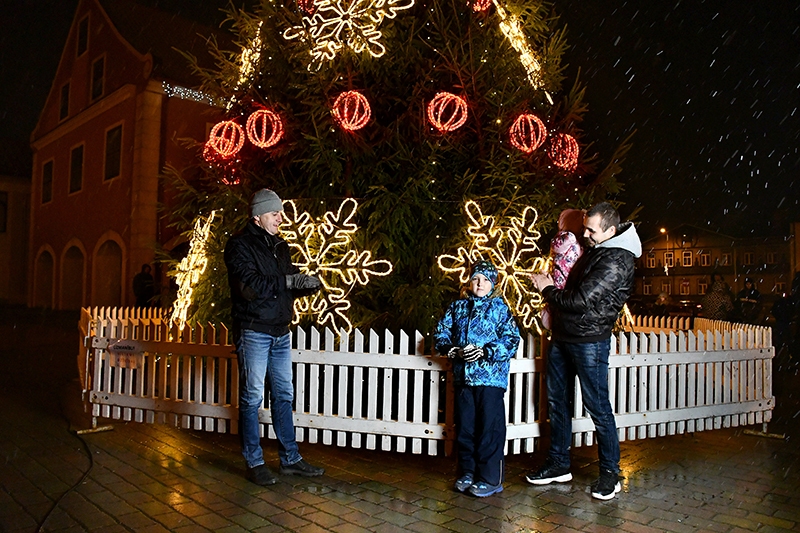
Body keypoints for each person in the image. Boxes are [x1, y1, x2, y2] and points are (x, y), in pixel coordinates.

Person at [527, 201, 641, 500]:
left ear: (611, 230)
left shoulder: (617, 260)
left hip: (589, 341)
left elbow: (579, 301)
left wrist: (547, 288)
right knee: (557, 403)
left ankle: (610, 474)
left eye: (591, 229)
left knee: (598, 408)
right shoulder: (596, 249)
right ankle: (558, 465)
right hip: (563, 335)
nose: (585, 233)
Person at [224, 188, 325, 486]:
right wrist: (287, 281)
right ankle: (254, 461)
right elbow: (250, 286)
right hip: (254, 330)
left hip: (281, 332)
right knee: (252, 397)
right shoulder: (239, 246)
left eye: (280, 212)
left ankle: (290, 459)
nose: (280, 218)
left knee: (284, 395)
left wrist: (303, 284)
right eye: (274, 213)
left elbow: (286, 282)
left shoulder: (281, 246)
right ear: (257, 217)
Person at [434, 261, 521, 498]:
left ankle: (490, 477)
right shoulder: (457, 307)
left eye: (485, 279)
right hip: (464, 379)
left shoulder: (500, 308)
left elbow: (512, 339)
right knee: (466, 428)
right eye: (476, 278)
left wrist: (486, 351)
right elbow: (441, 333)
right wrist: (454, 350)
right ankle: (467, 472)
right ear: (469, 282)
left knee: (489, 429)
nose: (480, 283)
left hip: (490, 380)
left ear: (493, 283)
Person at [540, 209, 584, 330]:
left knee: (559, 299)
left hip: (564, 275)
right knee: (560, 299)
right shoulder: (569, 237)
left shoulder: (568, 239)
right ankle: (551, 318)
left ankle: (551, 317)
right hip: (565, 275)